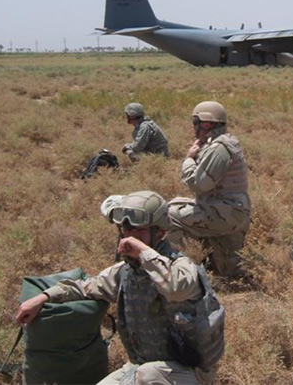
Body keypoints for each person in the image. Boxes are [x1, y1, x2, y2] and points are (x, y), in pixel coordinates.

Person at [15, 191, 223, 385]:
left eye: (137, 230)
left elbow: (174, 288)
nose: (128, 236)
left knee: (147, 375)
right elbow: (86, 288)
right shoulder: (125, 272)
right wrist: (43, 297)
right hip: (141, 367)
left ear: (159, 232)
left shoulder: (182, 267)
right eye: (125, 229)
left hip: (188, 373)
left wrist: (142, 251)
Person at [167, 101, 251, 278]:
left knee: (168, 215)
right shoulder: (225, 143)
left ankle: (180, 272)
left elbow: (198, 184)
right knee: (226, 272)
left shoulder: (218, 148)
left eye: (197, 123)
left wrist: (189, 160)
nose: (195, 127)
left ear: (206, 124)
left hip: (224, 213)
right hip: (231, 213)